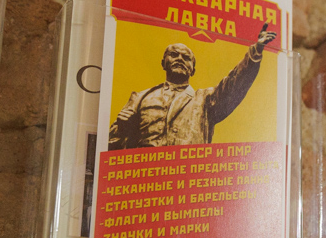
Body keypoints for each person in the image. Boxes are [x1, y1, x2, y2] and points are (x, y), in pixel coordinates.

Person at [109, 24, 276, 150]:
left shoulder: (206, 100)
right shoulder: (140, 98)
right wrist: (123, 129)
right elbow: (111, 146)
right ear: (163, 63)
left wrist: (255, 52)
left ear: (192, 70)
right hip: (145, 176)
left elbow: (234, 85)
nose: (179, 59)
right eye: (174, 54)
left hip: (187, 175)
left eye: (186, 58)